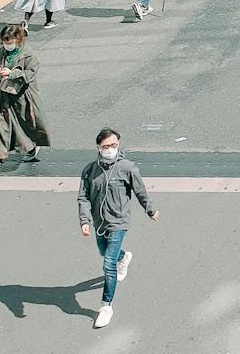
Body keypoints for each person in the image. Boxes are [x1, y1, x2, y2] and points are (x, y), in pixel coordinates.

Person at [78, 127, 159, 329]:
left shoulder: (127, 168)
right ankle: (124, 257)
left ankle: (106, 306)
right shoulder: (90, 170)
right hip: (99, 223)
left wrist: (150, 210)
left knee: (108, 264)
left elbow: (140, 191)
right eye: (106, 146)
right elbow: (83, 197)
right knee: (103, 251)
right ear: (98, 147)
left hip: (119, 222)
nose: (110, 149)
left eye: (114, 145)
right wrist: (85, 220)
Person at [0, 23, 48, 181]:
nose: (7, 44)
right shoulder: (0, 53)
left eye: (10, 41)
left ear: (18, 39)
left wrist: (12, 73)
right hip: (2, 97)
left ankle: (30, 147)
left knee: (25, 125)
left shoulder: (28, 55)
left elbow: (30, 73)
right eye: (5, 41)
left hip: (21, 97)